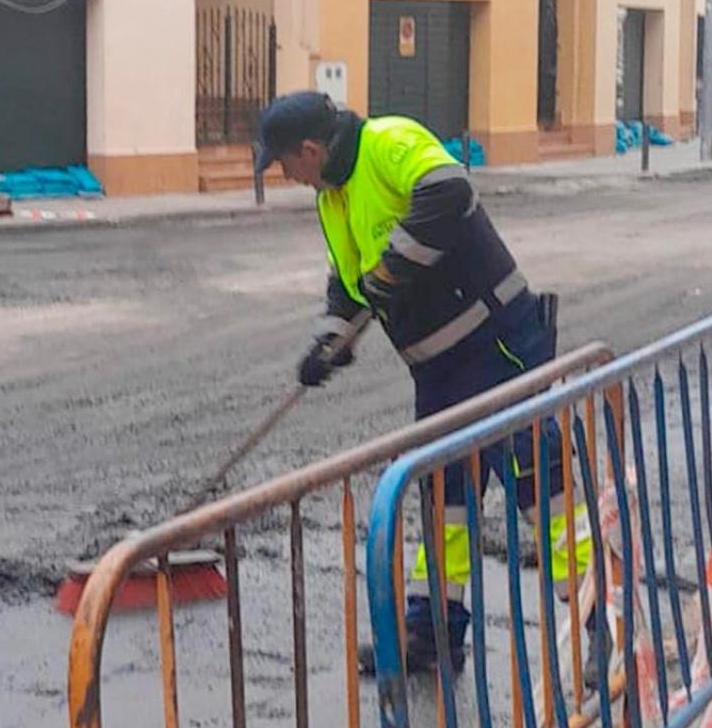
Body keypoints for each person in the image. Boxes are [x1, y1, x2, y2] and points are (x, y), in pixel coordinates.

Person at [254, 91, 596, 677]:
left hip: (502, 348)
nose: (287, 176)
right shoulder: (333, 198)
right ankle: (433, 634)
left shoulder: (388, 141)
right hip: (437, 372)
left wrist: (396, 266)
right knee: (444, 502)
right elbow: (353, 286)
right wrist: (329, 343)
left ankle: (603, 625)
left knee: (546, 494)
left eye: (285, 164)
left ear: (310, 149)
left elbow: (450, 192)